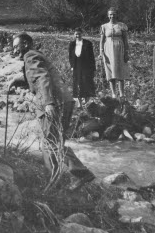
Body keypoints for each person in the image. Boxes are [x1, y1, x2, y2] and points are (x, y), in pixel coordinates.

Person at [8, 32, 96, 190]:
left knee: (51, 143)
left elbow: (42, 77)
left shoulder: (29, 55)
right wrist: (20, 80)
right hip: (64, 100)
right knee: (54, 142)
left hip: (53, 101)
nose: (14, 51)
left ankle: (79, 174)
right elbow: (41, 75)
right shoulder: (36, 56)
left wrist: (48, 103)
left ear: (26, 44)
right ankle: (56, 181)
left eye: (17, 46)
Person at [99, 7, 130, 99]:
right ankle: (113, 93)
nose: (112, 16)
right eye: (110, 14)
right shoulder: (104, 26)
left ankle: (122, 94)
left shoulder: (121, 25)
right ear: (108, 15)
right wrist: (101, 52)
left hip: (119, 49)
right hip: (108, 49)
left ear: (116, 15)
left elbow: (125, 40)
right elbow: (101, 40)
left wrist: (126, 52)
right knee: (110, 71)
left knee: (120, 70)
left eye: (114, 14)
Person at [68, 27, 96, 107]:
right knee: (77, 83)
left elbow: (92, 56)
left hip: (86, 66)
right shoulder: (72, 44)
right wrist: (72, 66)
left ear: (82, 34)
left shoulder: (88, 43)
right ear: (74, 34)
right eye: (76, 34)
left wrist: (93, 68)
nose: (77, 35)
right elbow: (70, 56)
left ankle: (86, 102)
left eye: (79, 34)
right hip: (76, 66)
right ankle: (79, 103)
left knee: (86, 83)